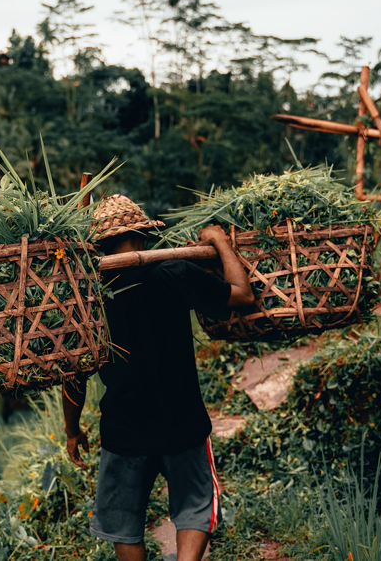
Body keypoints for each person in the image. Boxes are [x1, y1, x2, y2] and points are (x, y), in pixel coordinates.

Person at [62, 194, 254, 561]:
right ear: (144, 234)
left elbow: (74, 375)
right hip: (183, 423)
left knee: (124, 525)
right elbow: (243, 295)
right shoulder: (178, 273)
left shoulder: (88, 296)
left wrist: (72, 431)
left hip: (123, 431)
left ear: (99, 244)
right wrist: (220, 241)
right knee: (195, 507)